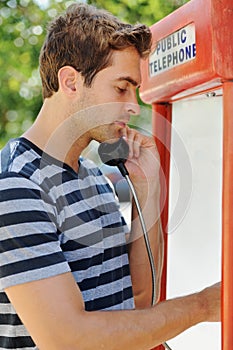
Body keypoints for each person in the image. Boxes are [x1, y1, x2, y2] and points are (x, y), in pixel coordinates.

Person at [0, 3, 220, 350]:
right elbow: (67, 339)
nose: (134, 106)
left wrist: (146, 189)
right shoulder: (17, 185)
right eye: (122, 88)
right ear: (70, 81)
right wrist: (205, 305)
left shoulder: (94, 179)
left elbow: (139, 301)